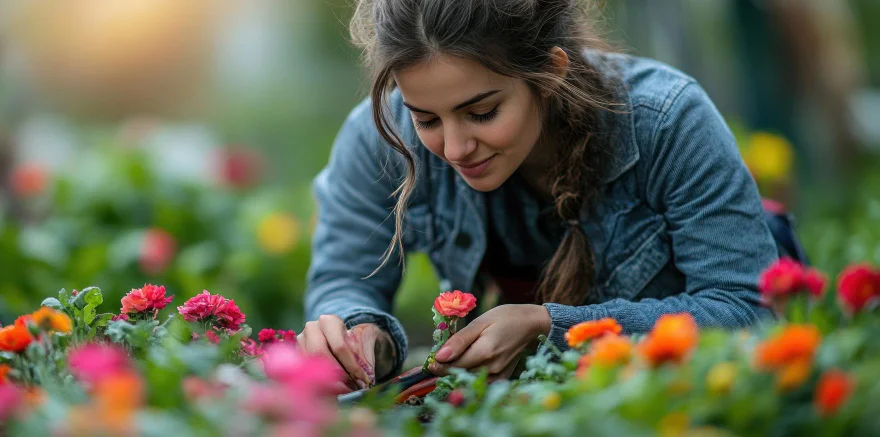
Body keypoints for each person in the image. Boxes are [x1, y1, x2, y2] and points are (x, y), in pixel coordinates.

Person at [298, 0, 779, 392]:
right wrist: (359, 335)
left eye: (482, 113)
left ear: (549, 74)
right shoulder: (380, 136)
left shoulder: (668, 122)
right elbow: (346, 276)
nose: (454, 148)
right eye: (426, 120)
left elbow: (748, 310)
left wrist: (554, 327)